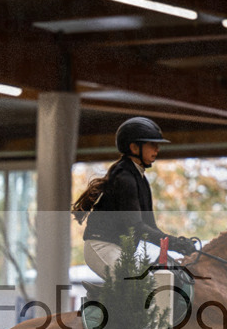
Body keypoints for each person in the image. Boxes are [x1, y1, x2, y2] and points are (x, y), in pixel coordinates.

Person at [72, 116, 196, 279]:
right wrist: (175, 243)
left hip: (118, 249)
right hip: (101, 247)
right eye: (152, 144)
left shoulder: (140, 178)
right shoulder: (125, 178)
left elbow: (150, 226)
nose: (157, 149)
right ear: (134, 147)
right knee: (145, 283)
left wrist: (175, 246)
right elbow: (136, 227)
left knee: (170, 276)